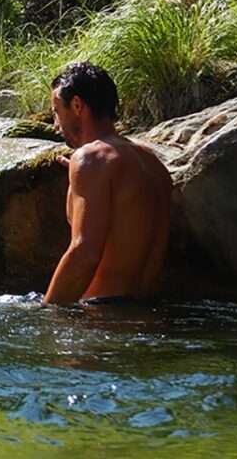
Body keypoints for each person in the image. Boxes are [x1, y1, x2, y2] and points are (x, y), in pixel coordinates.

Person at [43, 62, 172, 305]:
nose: (56, 126)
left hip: (102, 319)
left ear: (77, 105)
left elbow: (85, 254)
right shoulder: (152, 162)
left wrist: (46, 311)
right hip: (144, 314)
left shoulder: (91, 159)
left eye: (56, 112)